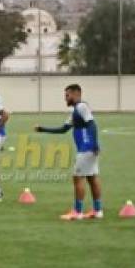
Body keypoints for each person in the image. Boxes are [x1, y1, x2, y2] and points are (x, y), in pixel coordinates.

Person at [35, 84, 103, 220]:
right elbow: (63, 129)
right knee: (92, 178)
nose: (65, 98)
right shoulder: (75, 112)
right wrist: (43, 129)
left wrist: (94, 144)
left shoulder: (82, 107)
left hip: (86, 149)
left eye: (67, 95)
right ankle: (97, 210)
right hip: (88, 149)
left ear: (76, 94)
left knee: (78, 178)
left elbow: (92, 124)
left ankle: (77, 212)